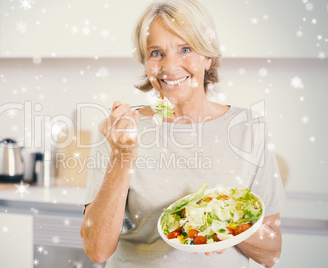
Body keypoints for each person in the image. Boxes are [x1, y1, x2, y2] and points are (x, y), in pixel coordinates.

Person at [80, 0, 287, 267]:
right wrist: (123, 155)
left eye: (185, 49)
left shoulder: (249, 128)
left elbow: (271, 252)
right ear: (145, 62)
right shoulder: (122, 130)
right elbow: (96, 250)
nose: (170, 66)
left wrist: (217, 222)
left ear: (208, 56)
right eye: (156, 53)